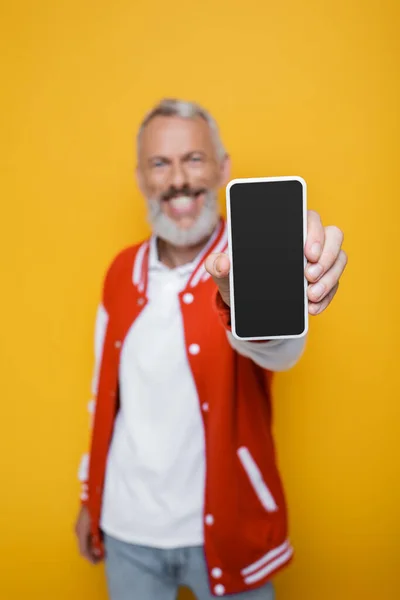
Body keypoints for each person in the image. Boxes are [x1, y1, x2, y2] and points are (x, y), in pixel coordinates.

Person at [75, 98, 347, 600]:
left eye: (194, 159)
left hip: (228, 531)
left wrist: (277, 296)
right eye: (161, 163)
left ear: (223, 169)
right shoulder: (119, 271)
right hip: (127, 527)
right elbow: (104, 391)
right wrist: (90, 494)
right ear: (141, 178)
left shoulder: (252, 258)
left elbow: (279, 352)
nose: (178, 178)